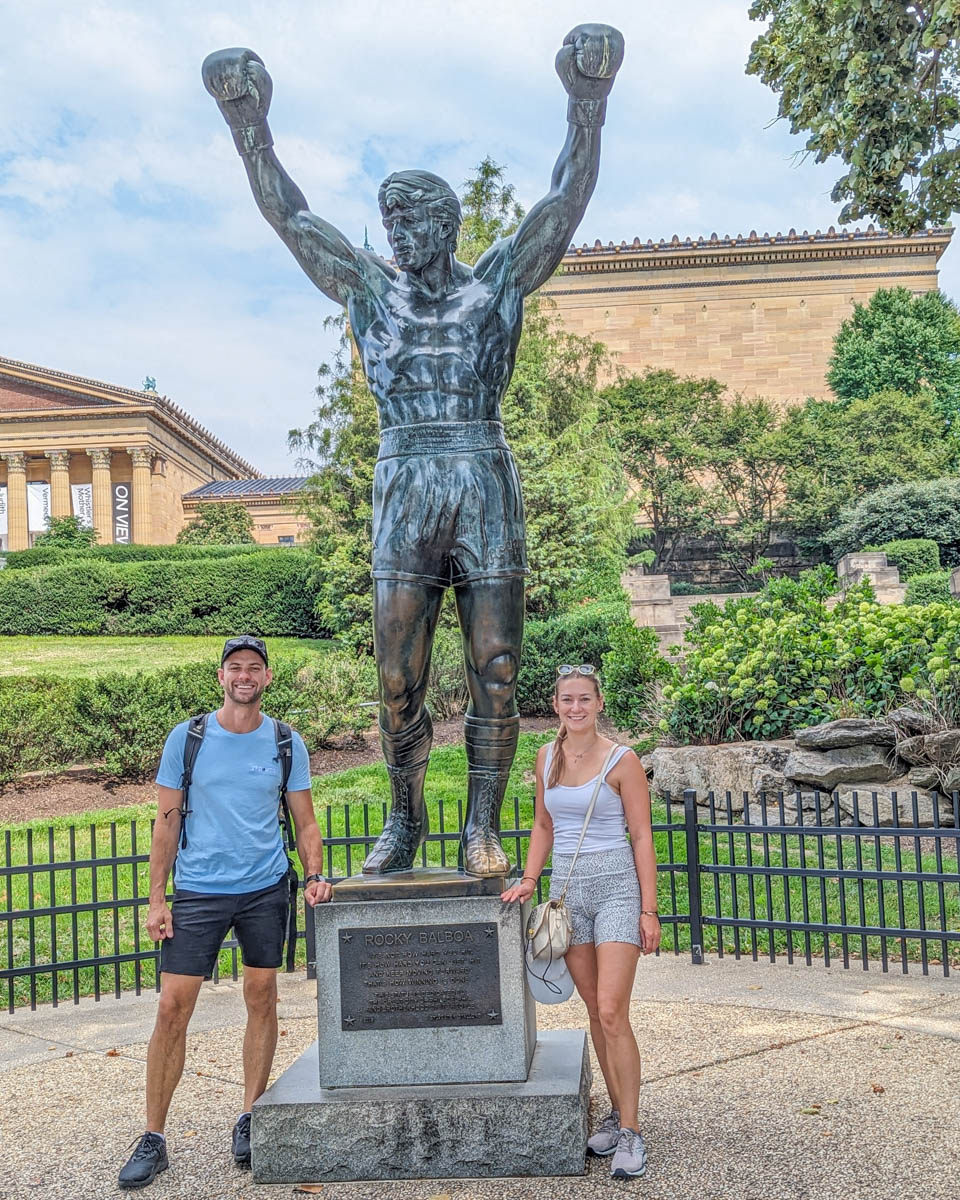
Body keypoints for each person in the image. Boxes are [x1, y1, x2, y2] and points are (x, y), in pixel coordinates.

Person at [201, 24, 624, 878]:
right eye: (388, 218)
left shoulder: (496, 282)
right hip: (404, 478)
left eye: (409, 218)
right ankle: (405, 817)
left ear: (446, 223)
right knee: (398, 676)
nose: (394, 231)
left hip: (481, 474)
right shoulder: (369, 288)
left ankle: (481, 827)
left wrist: (587, 102)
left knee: (496, 668)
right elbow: (291, 216)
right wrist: (249, 124)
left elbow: (564, 203)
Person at [118, 635, 333, 1191]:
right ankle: (154, 1136)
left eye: (254, 667)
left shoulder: (285, 742)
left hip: (264, 888)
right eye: (235, 667)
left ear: (266, 677)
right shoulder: (187, 739)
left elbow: (305, 821)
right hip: (198, 890)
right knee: (172, 1008)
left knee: (262, 998)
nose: (244, 676)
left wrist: (314, 874)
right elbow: (166, 822)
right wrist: (157, 898)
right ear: (221, 677)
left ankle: (251, 1116)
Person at [501, 664, 661, 1181]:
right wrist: (530, 879)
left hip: (616, 888)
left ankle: (632, 1130)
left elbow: (641, 836)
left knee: (613, 1009)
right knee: (593, 1008)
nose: (576, 708)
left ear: (598, 703)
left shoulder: (622, 760)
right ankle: (616, 1112)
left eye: (585, 699)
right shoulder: (546, 757)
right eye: (567, 699)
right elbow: (543, 824)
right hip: (568, 894)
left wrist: (649, 909)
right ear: (555, 705)